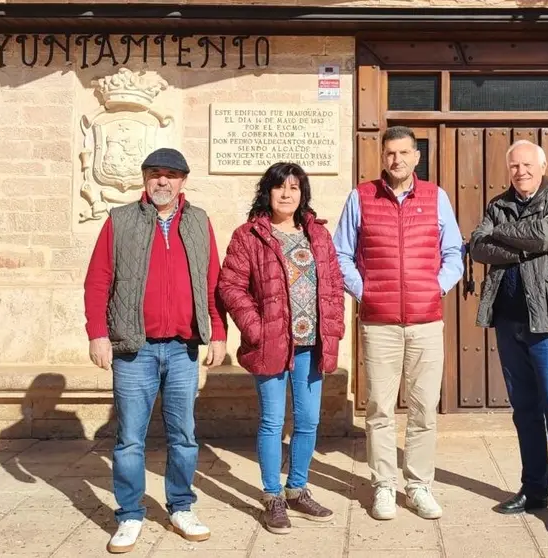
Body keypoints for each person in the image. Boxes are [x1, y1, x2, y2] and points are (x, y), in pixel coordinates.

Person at [83, 147, 228, 553]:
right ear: (145, 179)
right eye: (155, 174)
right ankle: (130, 514)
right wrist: (97, 333)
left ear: (183, 180)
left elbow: (212, 281)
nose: (163, 181)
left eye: (171, 174)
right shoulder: (120, 220)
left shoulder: (198, 221)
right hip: (135, 348)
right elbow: (98, 281)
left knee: (184, 436)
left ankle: (181, 506)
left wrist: (217, 331)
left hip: (183, 348)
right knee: (130, 438)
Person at [334, 125, 463, 521]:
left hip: (426, 322)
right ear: (383, 157)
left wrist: (434, 289)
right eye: (391, 154)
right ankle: (384, 486)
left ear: (416, 157)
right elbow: (341, 254)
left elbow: (454, 251)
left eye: (404, 153)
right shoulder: (361, 197)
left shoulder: (436, 197)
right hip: (379, 323)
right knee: (379, 409)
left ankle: (419, 485)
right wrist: (365, 292)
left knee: (424, 408)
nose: (397, 160)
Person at [469, 139, 548, 536]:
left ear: (542, 166)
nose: (520, 172)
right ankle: (535, 489)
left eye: (527, 165)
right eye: (514, 166)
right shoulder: (498, 203)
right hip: (509, 321)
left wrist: (505, 238)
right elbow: (478, 246)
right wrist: (520, 244)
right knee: (524, 411)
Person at [217, 162, 345, 535]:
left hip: (312, 344)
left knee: (308, 421)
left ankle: (298, 489)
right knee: (273, 422)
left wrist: (332, 330)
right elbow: (230, 286)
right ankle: (272, 496)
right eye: (279, 187)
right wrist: (255, 327)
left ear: (303, 194)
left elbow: (334, 285)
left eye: (294, 187)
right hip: (271, 343)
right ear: (267, 192)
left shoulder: (318, 235)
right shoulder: (248, 236)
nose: (287, 194)